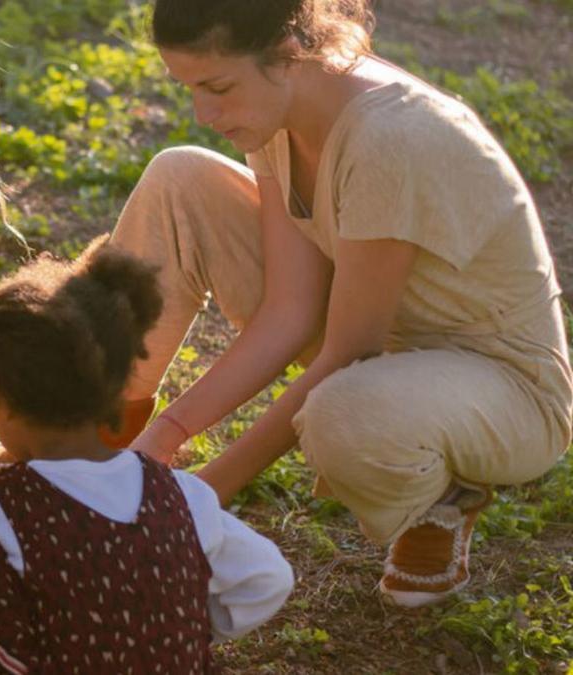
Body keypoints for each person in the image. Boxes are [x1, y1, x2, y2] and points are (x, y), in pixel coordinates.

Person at [105, 0, 571, 607]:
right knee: (179, 178)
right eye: (189, 87)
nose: (203, 112)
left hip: (504, 388)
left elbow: (351, 350)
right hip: (383, 345)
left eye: (218, 87)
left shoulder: (389, 136)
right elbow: (288, 312)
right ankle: (98, 431)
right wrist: (163, 439)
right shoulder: (276, 115)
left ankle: (440, 499)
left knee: (341, 413)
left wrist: (199, 496)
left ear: (288, 54)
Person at [0, 240, 294, 673]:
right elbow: (269, 578)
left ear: (7, 405)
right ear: (116, 386)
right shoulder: (184, 496)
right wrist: (179, 629)